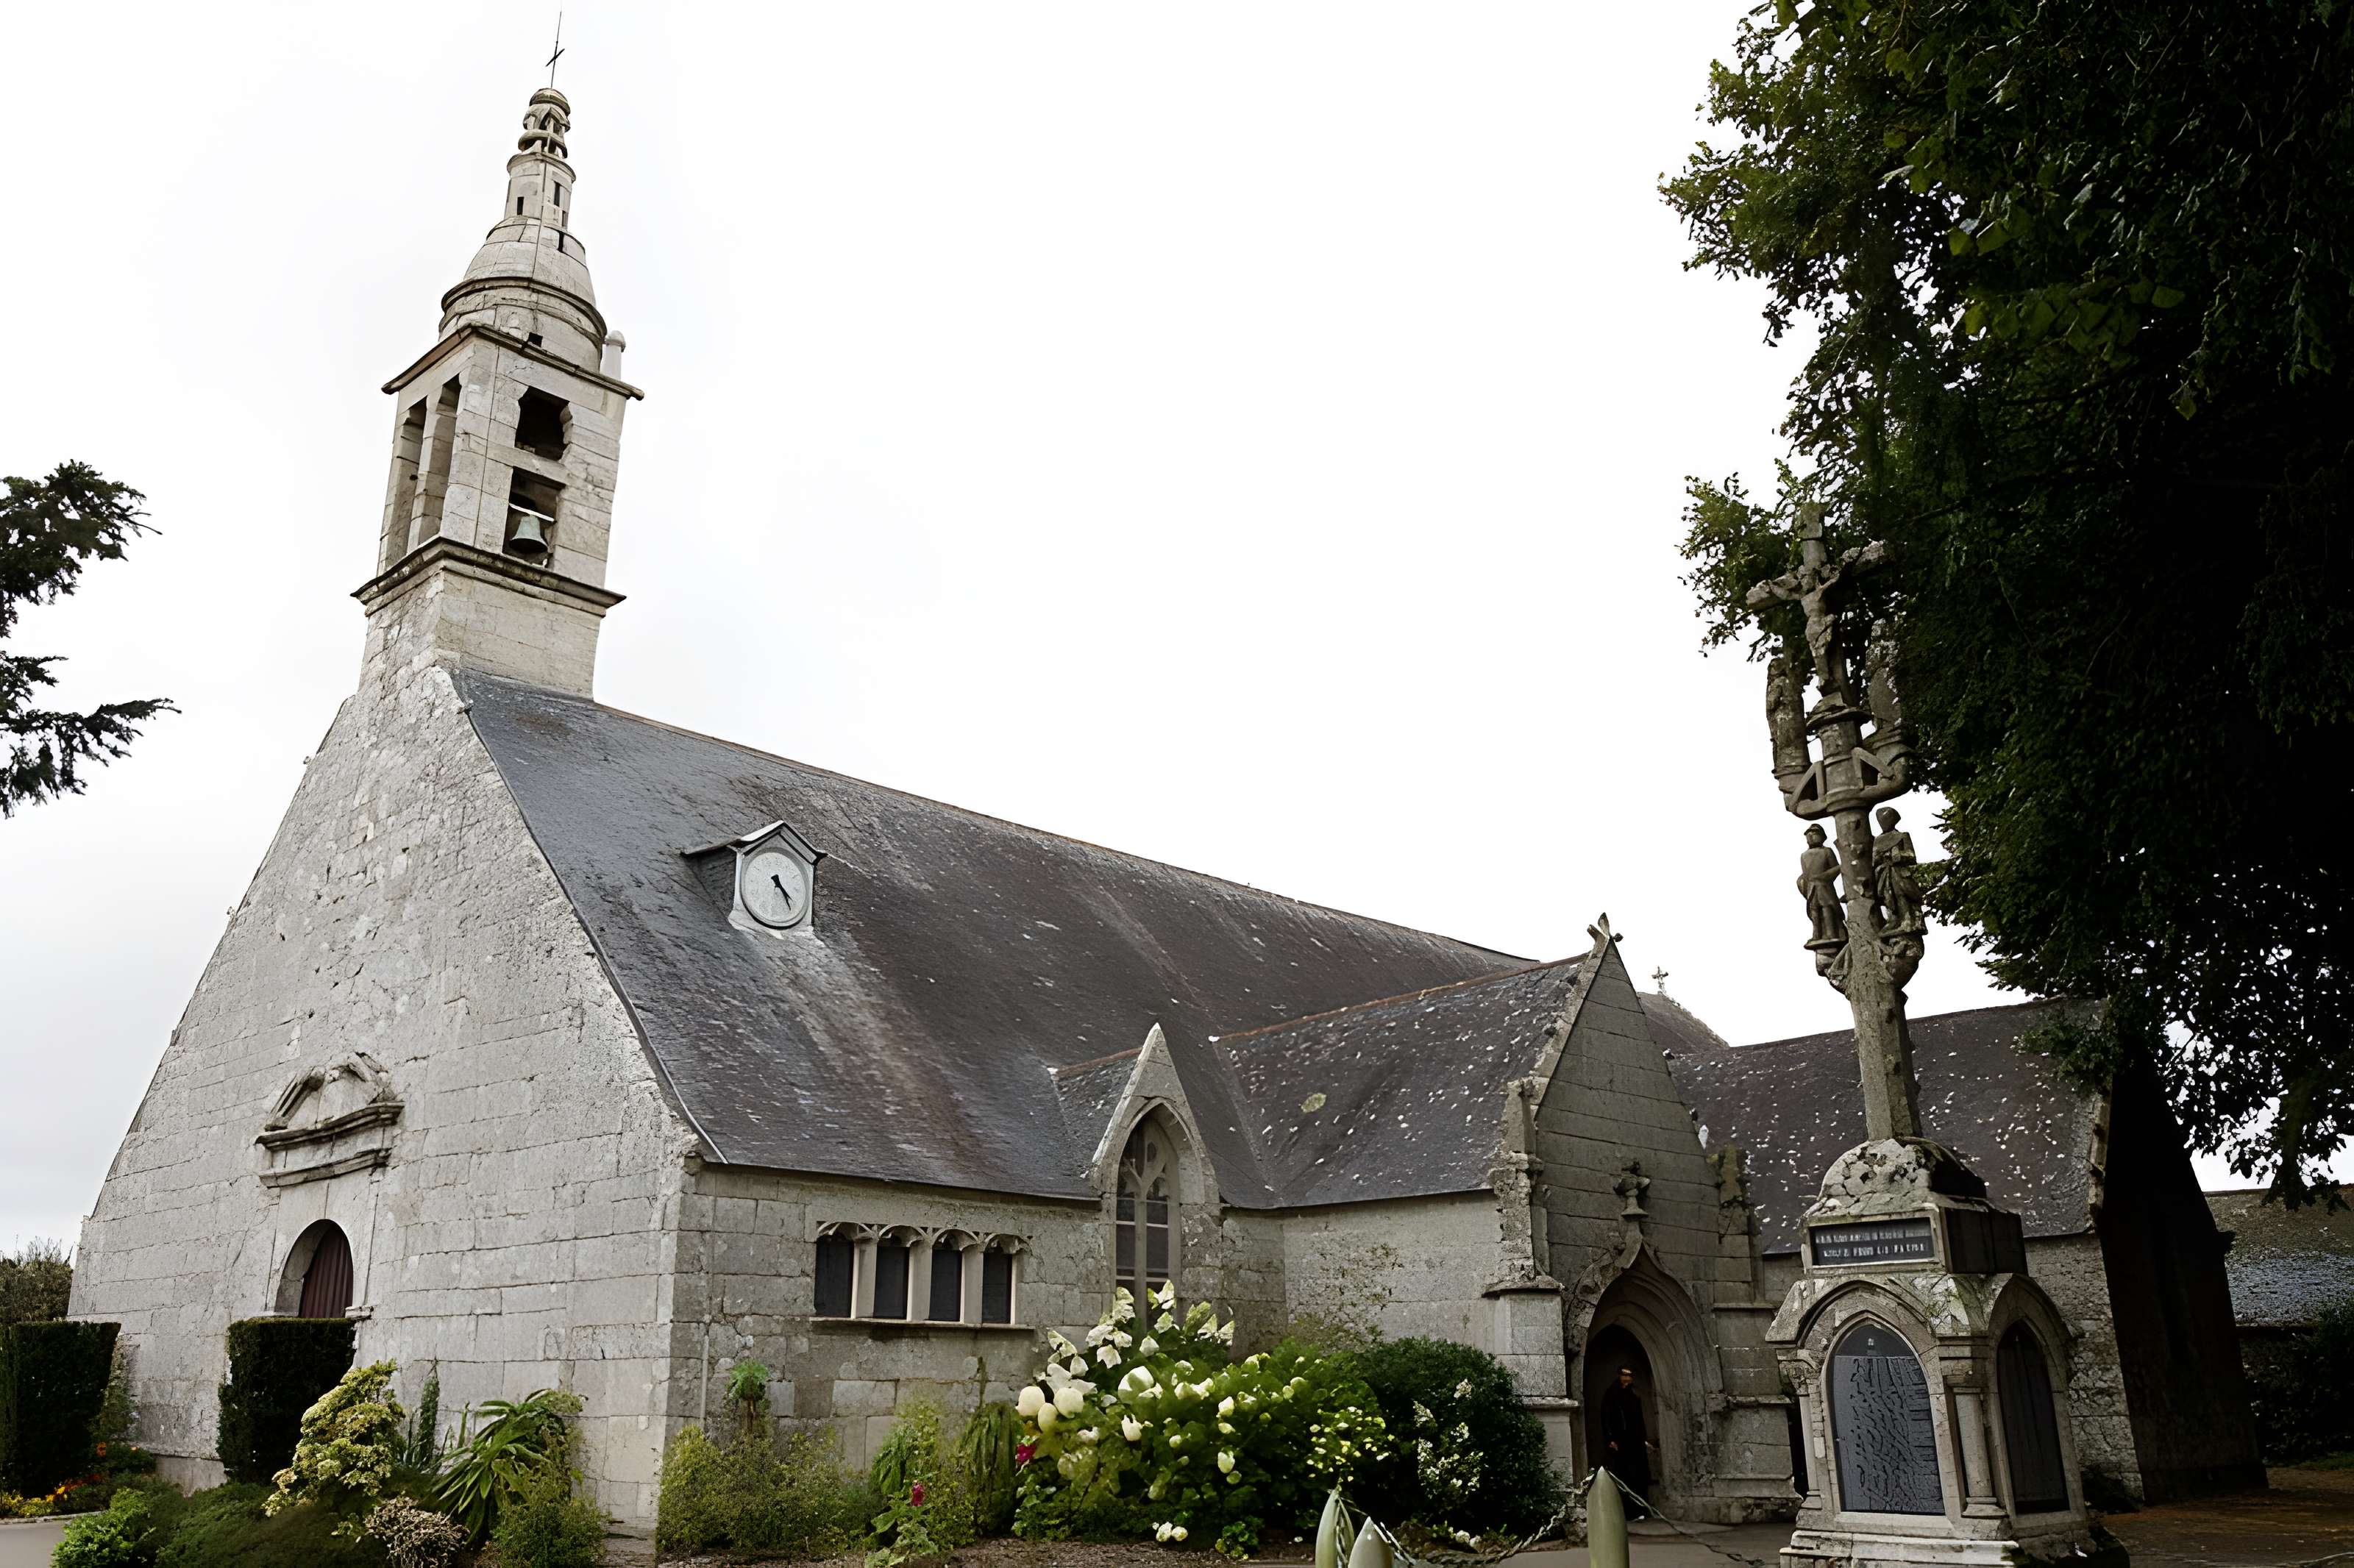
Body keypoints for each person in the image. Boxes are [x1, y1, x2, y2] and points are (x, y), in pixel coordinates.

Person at [1599, 1365, 1654, 1517]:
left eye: (1630, 1376)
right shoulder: (1612, 1395)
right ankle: (1628, 1512)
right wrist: (1610, 1439)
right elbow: (1606, 1418)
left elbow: (1637, 1419)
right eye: (1625, 1375)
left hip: (1635, 1442)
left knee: (1639, 1475)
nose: (1627, 1379)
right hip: (1621, 1442)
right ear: (1619, 1376)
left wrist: (1643, 1439)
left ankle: (1641, 1510)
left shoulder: (1632, 1395)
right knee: (1625, 1475)